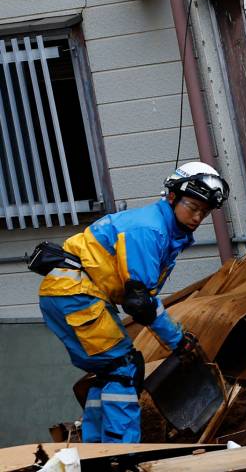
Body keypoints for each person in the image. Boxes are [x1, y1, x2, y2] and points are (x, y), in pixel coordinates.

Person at [37, 162, 228, 442]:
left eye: (205, 211)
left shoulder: (162, 229)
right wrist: (177, 341)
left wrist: (176, 339)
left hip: (69, 289)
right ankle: (121, 453)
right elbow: (139, 303)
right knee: (123, 368)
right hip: (76, 292)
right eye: (193, 206)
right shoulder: (151, 230)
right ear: (172, 197)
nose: (198, 216)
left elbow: (142, 298)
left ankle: (95, 449)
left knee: (107, 371)